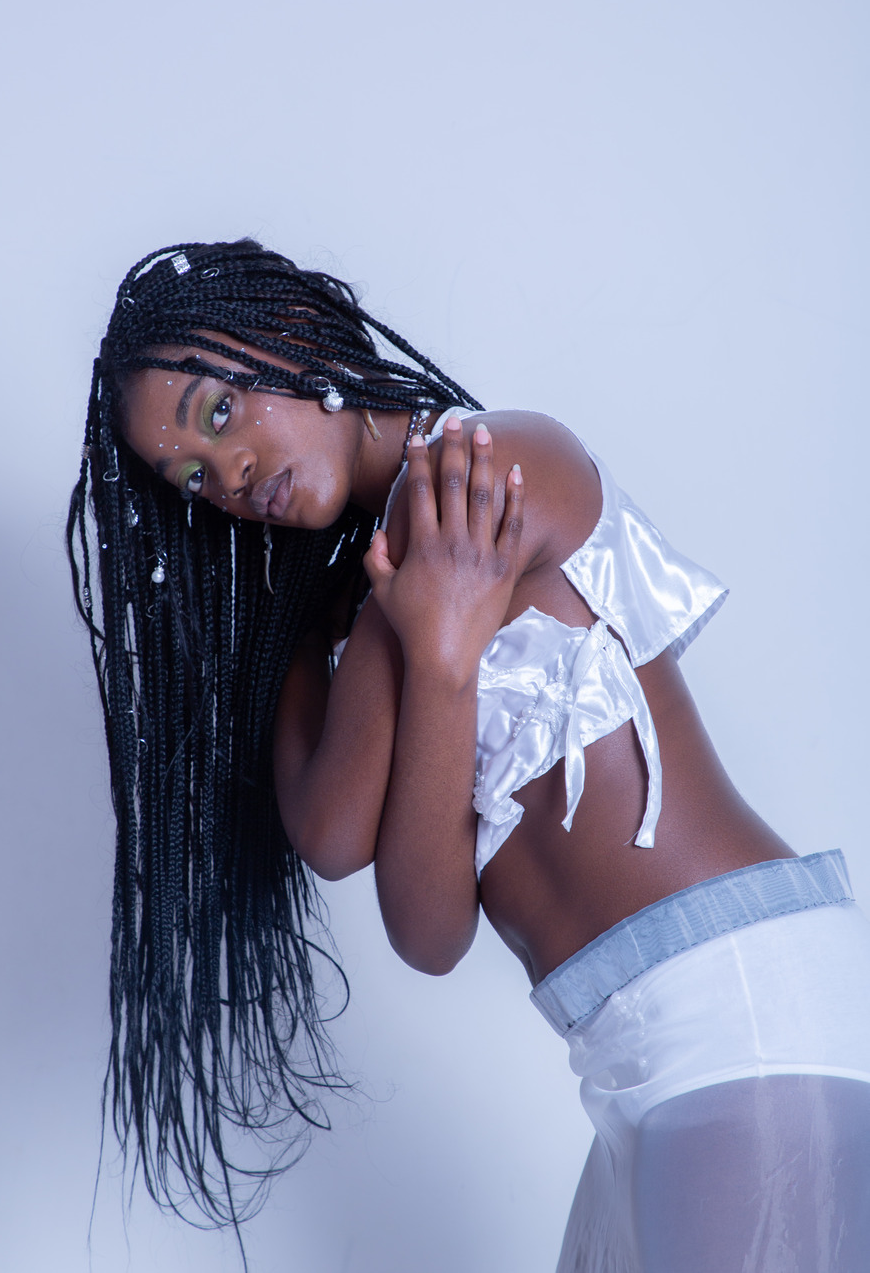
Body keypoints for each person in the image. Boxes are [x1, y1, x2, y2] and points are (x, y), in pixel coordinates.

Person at [69, 238, 870, 1272]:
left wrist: (431, 653)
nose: (228, 476)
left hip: (738, 1009)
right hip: (629, 1051)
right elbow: (404, 904)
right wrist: (427, 658)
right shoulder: (365, 604)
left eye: (219, 414)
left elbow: (364, 850)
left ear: (296, 334)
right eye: (193, 477)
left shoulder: (477, 471)